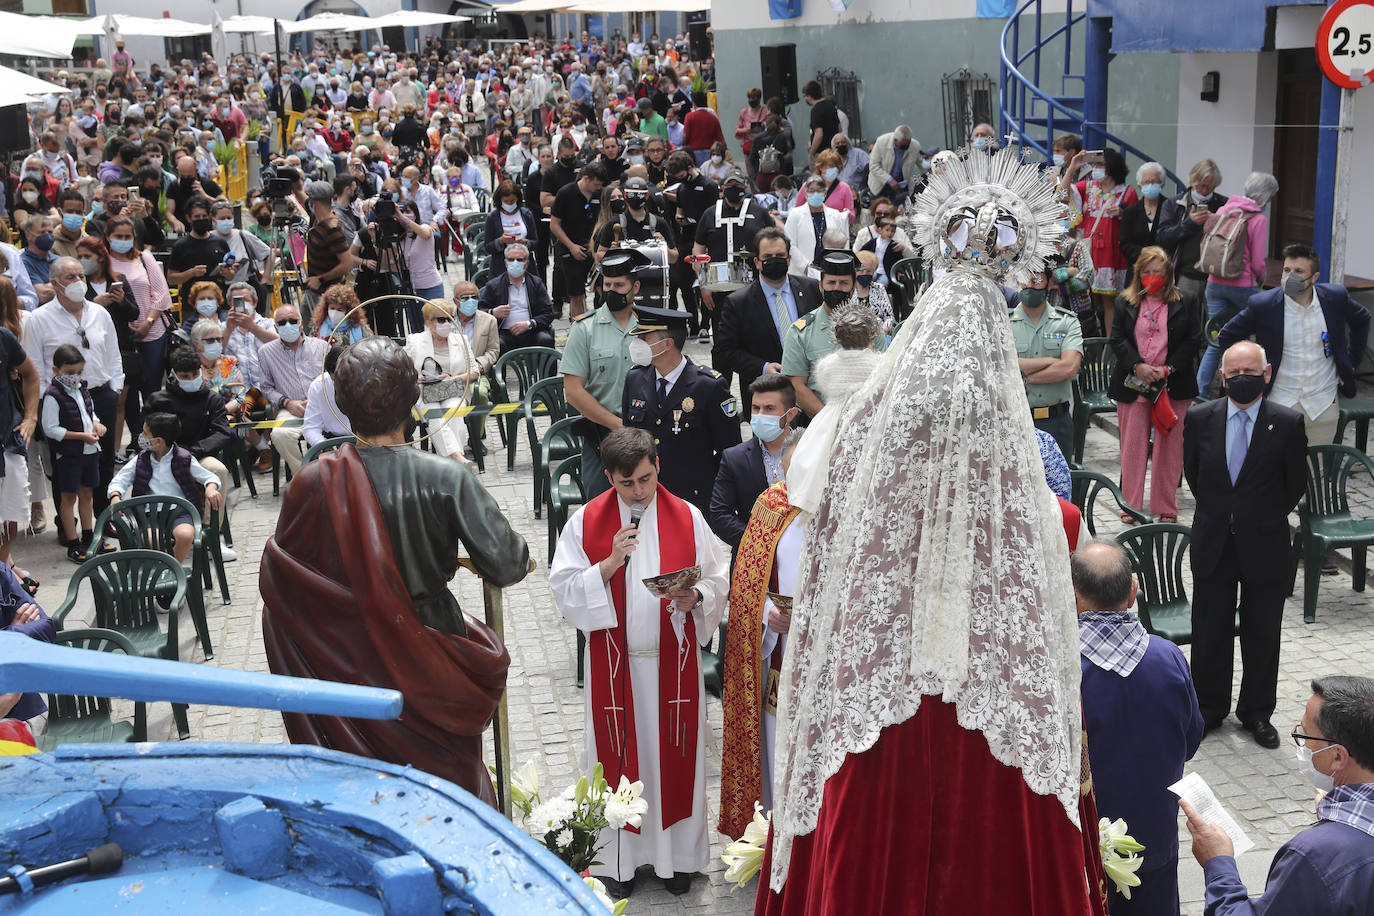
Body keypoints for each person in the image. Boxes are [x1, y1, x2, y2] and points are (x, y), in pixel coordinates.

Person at [759, 146, 1104, 914]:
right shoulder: (1018, 463)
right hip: (984, 681)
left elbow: (827, 525)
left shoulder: (867, 432)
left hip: (886, 683)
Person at [262, 336, 530, 806]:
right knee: (448, 783)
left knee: (369, 789)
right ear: (413, 398)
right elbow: (506, 563)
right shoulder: (447, 477)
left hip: (346, 655)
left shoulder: (312, 480)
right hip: (430, 649)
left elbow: (285, 588)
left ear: (341, 407)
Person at [549, 427, 728, 899]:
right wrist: (608, 563)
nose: (640, 492)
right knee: (617, 764)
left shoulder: (686, 517)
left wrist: (697, 596)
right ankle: (619, 862)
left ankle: (677, 862)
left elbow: (717, 579)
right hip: (616, 671)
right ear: (609, 477)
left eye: (646, 479)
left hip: (673, 667)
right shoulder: (586, 521)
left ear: (657, 466)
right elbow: (563, 589)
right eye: (627, 484)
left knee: (675, 760)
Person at [1182, 341, 1307, 748]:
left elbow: (1294, 486)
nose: (1241, 379)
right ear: (1222, 377)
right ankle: (1209, 709)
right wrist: (1225, 513)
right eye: (1233, 373)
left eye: (1249, 372)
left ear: (1267, 373)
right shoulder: (1201, 417)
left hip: (1266, 545)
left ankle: (1256, 713)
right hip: (1214, 542)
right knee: (1209, 630)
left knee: (1262, 632)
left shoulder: (1287, 423)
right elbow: (1195, 475)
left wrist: (1256, 516)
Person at [1072, 538, 1203, 916]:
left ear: (1073, 595)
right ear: (1133, 593)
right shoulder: (1169, 656)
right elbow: (1190, 737)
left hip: (1089, 843)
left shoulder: (1065, 669)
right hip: (1155, 832)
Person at [1182, 675, 1374, 915]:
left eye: (1305, 736)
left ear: (1338, 757)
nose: (1301, 745)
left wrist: (1218, 863)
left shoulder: (1316, 856)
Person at [718, 433, 804, 839]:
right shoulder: (771, 505)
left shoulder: (846, 510)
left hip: (821, 657)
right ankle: (771, 839)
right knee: (776, 751)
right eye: (788, 473)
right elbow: (748, 586)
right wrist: (767, 616)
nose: (793, 485)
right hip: (778, 656)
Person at [1216, 243, 1370, 448]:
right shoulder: (1264, 305)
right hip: (1280, 401)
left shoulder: (1335, 298)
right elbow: (1227, 335)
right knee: (1276, 472)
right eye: (1287, 270)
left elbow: (1362, 319)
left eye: (1298, 271)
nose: (1290, 276)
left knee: (1317, 472)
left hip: (1322, 403)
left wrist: (1351, 363)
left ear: (1314, 277)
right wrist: (1248, 372)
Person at [1109, 247, 1203, 523]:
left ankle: (1165, 506)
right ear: (1139, 274)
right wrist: (1137, 365)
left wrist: (1168, 368)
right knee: (1133, 447)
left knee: (1170, 447)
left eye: (1157, 272)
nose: (1152, 277)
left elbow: (1193, 340)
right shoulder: (1124, 302)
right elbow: (1117, 340)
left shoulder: (1187, 300)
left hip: (1172, 385)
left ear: (1168, 275)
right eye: (1146, 272)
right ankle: (1131, 505)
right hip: (1134, 384)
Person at [26, 257, 123, 519]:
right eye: (71, 277)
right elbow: (34, 365)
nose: (78, 282)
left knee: (103, 462)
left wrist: (115, 388)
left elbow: (114, 355)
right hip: (61, 400)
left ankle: (104, 518)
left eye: (81, 276)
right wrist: (47, 401)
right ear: (55, 283)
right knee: (65, 465)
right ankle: (67, 524)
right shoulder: (39, 318)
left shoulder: (100, 313)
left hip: (100, 394)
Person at [621, 305, 741, 513]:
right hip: (646, 496)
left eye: (645, 339)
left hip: (692, 500)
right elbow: (628, 437)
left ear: (667, 344)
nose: (637, 344)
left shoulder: (709, 386)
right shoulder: (635, 379)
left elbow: (729, 450)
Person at [563, 248, 643, 497]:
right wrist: (617, 425)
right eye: (607, 284)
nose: (612, 290)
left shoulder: (650, 326)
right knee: (600, 506)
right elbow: (573, 391)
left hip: (647, 433)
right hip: (602, 435)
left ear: (635, 287)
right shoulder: (584, 329)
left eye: (619, 285)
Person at [717, 228, 821, 413]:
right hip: (766, 400)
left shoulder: (812, 289)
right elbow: (724, 352)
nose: (774, 260)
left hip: (812, 393)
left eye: (780, 255)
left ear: (789, 259)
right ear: (757, 262)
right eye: (768, 256)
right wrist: (763, 368)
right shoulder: (738, 302)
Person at [1194, 171, 1278, 397]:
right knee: (1256, 336)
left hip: (1214, 282)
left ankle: (1200, 391)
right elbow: (1259, 261)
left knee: (1217, 338)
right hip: (1243, 286)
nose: (1270, 202)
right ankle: (1248, 387)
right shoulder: (1258, 219)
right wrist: (1260, 281)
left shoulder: (1224, 210)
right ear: (1265, 195)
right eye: (1271, 197)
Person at [781, 250, 888, 419]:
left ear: (853, 288)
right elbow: (796, 384)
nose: (837, 288)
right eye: (831, 282)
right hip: (818, 423)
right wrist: (829, 421)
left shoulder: (872, 328)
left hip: (865, 421)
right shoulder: (801, 331)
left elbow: (882, 377)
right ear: (820, 286)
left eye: (844, 283)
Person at [708, 374, 799, 554]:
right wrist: (760, 541)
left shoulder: (810, 451)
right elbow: (719, 514)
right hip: (751, 560)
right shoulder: (734, 458)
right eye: (756, 408)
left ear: (790, 414)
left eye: (769, 408)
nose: (760, 415)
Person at [1009, 269, 1084, 459]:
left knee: (1058, 486)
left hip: (1057, 423)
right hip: (1016, 422)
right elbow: (1001, 367)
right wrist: (1051, 361)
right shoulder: (1004, 322)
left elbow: (1069, 367)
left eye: (1037, 280)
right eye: (1024, 280)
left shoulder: (1067, 322)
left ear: (1049, 283)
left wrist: (1022, 376)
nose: (1029, 287)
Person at [693, 168, 772, 344]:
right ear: (722, 188)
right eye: (730, 184)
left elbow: (772, 245)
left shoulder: (759, 212)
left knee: (752, 340)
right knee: (722, 341)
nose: (734, 188)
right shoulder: (710, 213)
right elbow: (697, 252)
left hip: (753, 287)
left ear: (745, 186)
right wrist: (703, 283)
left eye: (738, 184)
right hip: (718, 287)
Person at [41, 343, 104, 563]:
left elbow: (90, 414)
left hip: (90, 451)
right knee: (68, 497)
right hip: (69, 454)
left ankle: (90, 538)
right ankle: (73, 543)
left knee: (87, 494)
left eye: (78, 372)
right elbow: (51, 429)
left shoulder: (82, 389)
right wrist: (81, 436)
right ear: (56, 370)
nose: (75, 377)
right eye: (69, 373)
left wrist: (97, 425)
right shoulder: (52, 395)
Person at [258, 303, 331, 477]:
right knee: (280, 435)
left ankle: (334, 472)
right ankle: (305, 476)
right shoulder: (266, 352)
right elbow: (266, 387)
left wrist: (318, 400)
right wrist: (287, 403)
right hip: (291, 409)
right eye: (282, 323)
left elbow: (333, 378)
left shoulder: (321, 346)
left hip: (323, 406)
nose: (288, 325)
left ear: (301, 323)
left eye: (292, 320)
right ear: (275, 328)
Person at [1075, 148, 1137, 338]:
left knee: (1110, 302)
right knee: (1089, 301)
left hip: (1113, 255)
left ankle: (1109, 347)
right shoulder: (1088, 187)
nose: (1095, 168)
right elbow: (1064, 191)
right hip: (1090, 253)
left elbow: (1135, 222)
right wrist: (1072, 166)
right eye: (1094, 164)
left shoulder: (1127, 193)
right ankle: (1090, 341)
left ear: (1112, 167)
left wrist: (1123, 214)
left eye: (1100, 164)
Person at [1156, 157, 1227, 311]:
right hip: (1186, 274)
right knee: (1184, 319)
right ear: (1193, 181)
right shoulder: (1174, 204)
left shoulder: (1223, 204)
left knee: (1213, 325)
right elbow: (1162, 237)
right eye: (1202, 186)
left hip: (1215, 276)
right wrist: (1189, 223)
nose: (1205, 191)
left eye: (1210, 187)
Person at [550, 162, 606, 319]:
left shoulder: (599, 194)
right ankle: (578, 330)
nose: (598, 187)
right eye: (596, 184)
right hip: (571, 249)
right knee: (577, 294)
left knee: (603, 288)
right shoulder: (565, 193)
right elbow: (554, 225)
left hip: (595, 250)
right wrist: (571, 246)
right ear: (586, 179)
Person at [478, 243, 556, 352]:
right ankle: (499, 369)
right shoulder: (494, 285)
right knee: (497, 344)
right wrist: (493, 312)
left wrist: (529, 324)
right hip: (504, 333)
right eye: (511, 259)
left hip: (532, 331)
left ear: (526, 263)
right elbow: (479, 311)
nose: (515, 263)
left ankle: (548, 369)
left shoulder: (536, 283)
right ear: (505, 263)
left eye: (519, 260)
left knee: (546, 340)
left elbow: (548, 313)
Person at [167, 195, 232, 309]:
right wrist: (191, 273)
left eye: (204, 216)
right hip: (192, 306)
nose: (201, 219)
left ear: (210, 217)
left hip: (219, 304)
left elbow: (231, 275)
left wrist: (228, 273)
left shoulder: (220, 243)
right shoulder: (181, 246)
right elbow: (171, 278)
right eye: (197, 217)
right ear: (188, 218)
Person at [784, 177, 850, 280]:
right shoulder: (795, 214)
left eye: (819, 190)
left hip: (830, 271)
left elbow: (843, 244)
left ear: (825, 193)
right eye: (811, 191)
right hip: (801, 272)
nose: (815, 194)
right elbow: (789, 244)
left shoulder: (835, 215)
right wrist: (806, 267)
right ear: (806, 194)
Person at [484, 180, 540, 279]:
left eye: (512, 201)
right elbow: (488, 247)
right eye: (506, 201)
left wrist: (525, 243)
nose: (509, 204)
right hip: (500, 266)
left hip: (525, 265)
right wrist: (501, 241)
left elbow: (535, 242)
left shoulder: (526, 215)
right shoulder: (492, 217)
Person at [300, 345, 352, 451]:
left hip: (363, 440)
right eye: (334, 380)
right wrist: (325, 446)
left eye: (343, 379)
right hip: (332, 439)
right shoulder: (319, 386)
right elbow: (311, 428)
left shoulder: (367, 383)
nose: (339, 384)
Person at [1118, 162, 1166, 267]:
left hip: (1163, 268)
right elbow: (1124, 243)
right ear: (1140, 185)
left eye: (1154, 182)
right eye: (1146, 182)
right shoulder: (1130, 211)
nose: (1150, 185)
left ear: (1162, 184)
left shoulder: (1170, 208)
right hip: (1137, 269)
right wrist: (1141, 251)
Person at [867, 126, 918, 202]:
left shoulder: (913, 145)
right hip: (879, 187)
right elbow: (873, 166)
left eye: (908, 143)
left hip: (899, 189)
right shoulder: (882, 141)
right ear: (895, 140)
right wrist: (889, 180)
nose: (907, 147)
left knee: (899, 212)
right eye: (904, 145)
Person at [801, 80, 839, 165]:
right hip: (833, 151)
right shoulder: (831, 106)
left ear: (810, 96)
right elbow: (839, 128)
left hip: (821, 153)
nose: (805, 99)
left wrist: (812, 152)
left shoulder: (816, 110)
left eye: (805, 96)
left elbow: (819, 134)